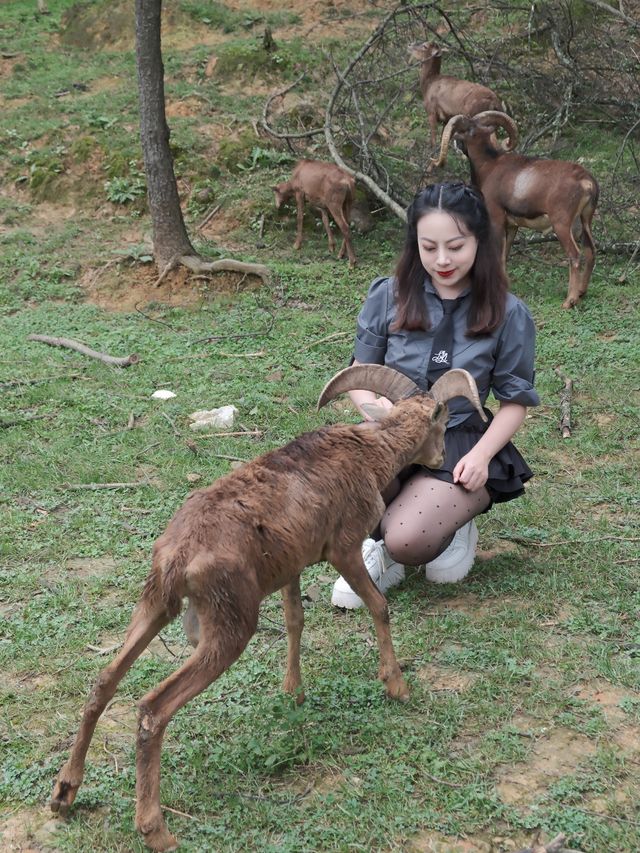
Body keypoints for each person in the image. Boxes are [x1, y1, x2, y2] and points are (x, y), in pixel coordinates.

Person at [331, 181, 539, 609]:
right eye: (429, 247)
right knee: (337, 485)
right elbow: (359, 372)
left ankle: (444, 526)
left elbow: (514, 401)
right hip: (388, 430)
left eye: (456, 246)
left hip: (459, 440)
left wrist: (481, 457)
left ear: (479, 241)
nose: (442, 260)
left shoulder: (508, 311)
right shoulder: (387, 295)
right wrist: (382, 414)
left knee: (409, 539)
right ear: (416, 245)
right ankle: (377, 541)